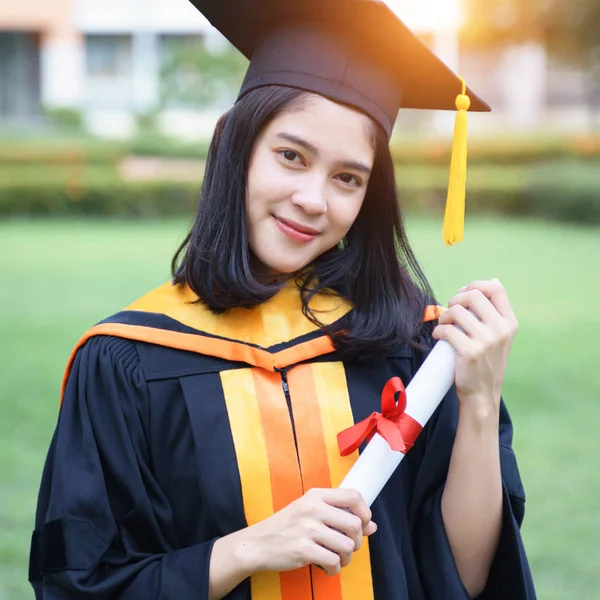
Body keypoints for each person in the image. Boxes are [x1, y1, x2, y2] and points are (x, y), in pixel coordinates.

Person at [28, 1, 536, 598]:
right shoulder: (129, 361)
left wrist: (479, 403)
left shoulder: (417, 349)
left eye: (348, 177)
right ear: (233, 147)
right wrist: (247, 549)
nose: (313, 199)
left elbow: (469, 579)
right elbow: (81, 582)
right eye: (291, 156)